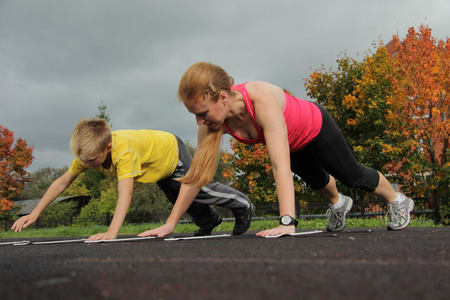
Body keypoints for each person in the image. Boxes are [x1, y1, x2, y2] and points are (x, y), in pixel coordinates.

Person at [139, 61, 415, 238]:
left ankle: (398, 200)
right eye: (193, 115)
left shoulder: (260, 98)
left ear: (222, 97)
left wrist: (287, 222)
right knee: (316, 181)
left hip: (315, 128)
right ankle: (339, 204)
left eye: (201, 112)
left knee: (352, 176)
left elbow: (280, 167)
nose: (199, 121)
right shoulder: (212, 124)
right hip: (292, 143)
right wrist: (170, 224)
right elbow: (196, 175)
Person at [11, 118, 255, 240]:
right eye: (83, 160)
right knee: (176, 197)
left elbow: (125, 194)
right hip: (155, 164)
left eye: (92, 161)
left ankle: (243, 204)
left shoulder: (123, 152)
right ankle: (208, 219)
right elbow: (62, 182)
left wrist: (111, 233)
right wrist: (35, 212)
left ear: (107, 147)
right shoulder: (87, 155)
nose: (86, 165)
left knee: (201, 191)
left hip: (171, 153)